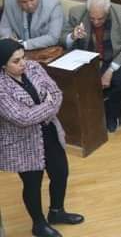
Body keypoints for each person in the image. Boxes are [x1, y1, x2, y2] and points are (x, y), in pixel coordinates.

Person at [0, 39, 84, 237]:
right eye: (16, 61)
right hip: (22, 142)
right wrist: (48, 105)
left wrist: (43, 107)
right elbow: (22, 118)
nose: (23, 63)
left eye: (23, 57)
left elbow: (56, 93)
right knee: (32, 183)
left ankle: (57, 211)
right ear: (3, 65)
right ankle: (39, 224)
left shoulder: (34, 67)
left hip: (49, 131)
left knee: (60, 172)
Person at [63, 0, 121, 132]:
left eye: (100, 19)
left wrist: (110, 71)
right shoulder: (76, 13)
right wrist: (72, 36)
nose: (96, 22)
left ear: (107, 12)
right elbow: (63, 40)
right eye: (92, 18)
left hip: (116, 59)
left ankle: (111, 112)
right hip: (88, 59)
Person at [0, 0, 64, 50]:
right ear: (17, 0)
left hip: (45, 49)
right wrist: (9, 39)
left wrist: (23, 45)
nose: (29, 5)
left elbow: (53, 37)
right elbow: (5, 27)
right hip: (17, 49)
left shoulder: (53, 4)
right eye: (24, 2)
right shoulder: (9, 0)